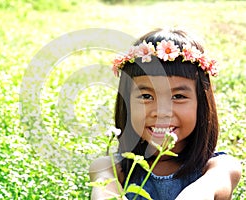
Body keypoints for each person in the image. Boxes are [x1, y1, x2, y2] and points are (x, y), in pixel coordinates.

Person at [89, 28, 241, 200]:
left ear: (202, 103)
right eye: (146, 96)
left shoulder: (220, 167)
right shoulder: (110, 168)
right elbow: (104, 191)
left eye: (178, 96)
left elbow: (207, 188)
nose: (161, 112)